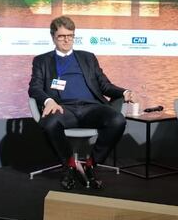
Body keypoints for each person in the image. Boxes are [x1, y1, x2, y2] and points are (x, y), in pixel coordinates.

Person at [28, 16, 134, 190]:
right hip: (63, 109)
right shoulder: (42, 60)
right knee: (49, 123)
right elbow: (35, 88)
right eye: (62, 36)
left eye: (70, 35)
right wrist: (48, 100)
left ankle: (91, 164)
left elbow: (105, 85)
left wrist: (124, 92)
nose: (67, 40)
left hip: (91, 108)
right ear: (53, 36)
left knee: (117, 120)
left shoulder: (88, 58)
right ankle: (69, 164)